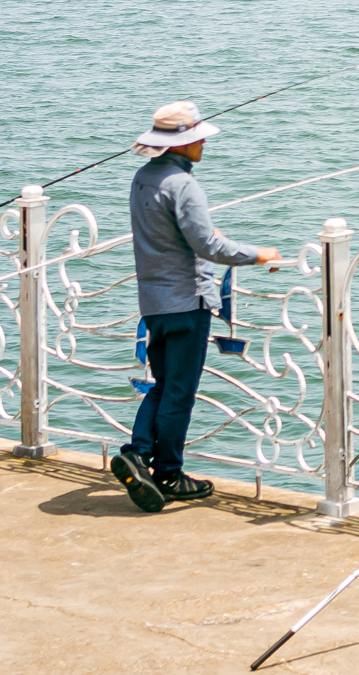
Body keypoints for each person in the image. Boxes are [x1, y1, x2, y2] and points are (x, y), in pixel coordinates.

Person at [110, 99, 282, 512]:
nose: (204, 142)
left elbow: (172, 232)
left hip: (154, 302)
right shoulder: (184, 185)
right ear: (180, 144)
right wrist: (259, 254)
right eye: (197, 138)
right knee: (180, 391)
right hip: (187, 302)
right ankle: (168, 473)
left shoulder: (142, 178)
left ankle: (138, 453)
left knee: (163, 384)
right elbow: (207, 245)